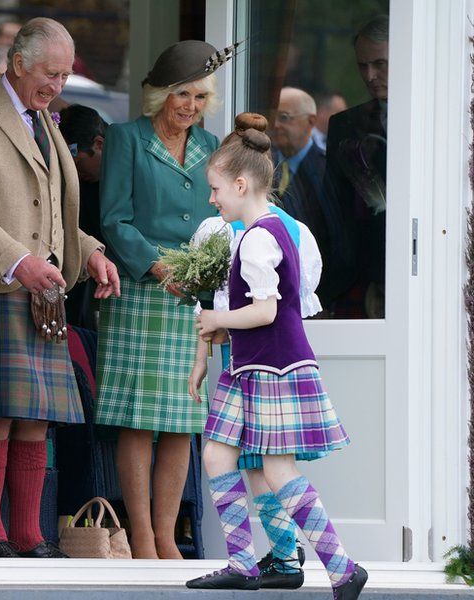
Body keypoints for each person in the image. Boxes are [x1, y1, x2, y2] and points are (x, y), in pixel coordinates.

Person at [0, 17, 120, 558]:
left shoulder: (47, 122)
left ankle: (28, 534)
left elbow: (60, 213)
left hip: (44, 292)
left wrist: (90, 253)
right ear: (18, 63)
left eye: (65, 76)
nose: (57, 86)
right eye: (51, 74)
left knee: (36, 415)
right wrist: (19, 262)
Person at [185, 114, 367, 600]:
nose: (212, 198)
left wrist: (219, 322)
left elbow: (265, 312)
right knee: (217, 453)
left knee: (278, 469)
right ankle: (244, 563)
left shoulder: (261, 237)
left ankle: (342, 567)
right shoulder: (256, 231)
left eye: (216, 188)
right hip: (251, 367)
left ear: (241, 184)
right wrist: (216, 336)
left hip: (274, 367)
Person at [95, 40, 227, 559]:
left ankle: (168, 537)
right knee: (139, 417)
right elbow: (113, 218)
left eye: (198, 95)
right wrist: (156, 264)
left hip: (188, 296)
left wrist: (202, 272)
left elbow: (217, 220)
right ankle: (141, 536)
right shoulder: (127, 139)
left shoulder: (212, 143)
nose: (190, 105)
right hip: (140, 290)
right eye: (181, 94)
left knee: (181, 419)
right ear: (159, 95)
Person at [320, 15, 389, 318]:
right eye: (363, 65)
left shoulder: (439, 119)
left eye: (380, 63)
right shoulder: (345, 126)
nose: (370, 75)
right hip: (357, 277)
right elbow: (332, 211)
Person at [57, 103, 107, 329]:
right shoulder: (77, 182)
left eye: (77, 163)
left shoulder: (124, 179)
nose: (74, 174)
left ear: (99, 144)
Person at [269, 87, 330, 255]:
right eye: (274, 117)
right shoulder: (261, 162)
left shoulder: (328, 169)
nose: (275, 125)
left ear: (311, 121)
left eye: (284, 118)